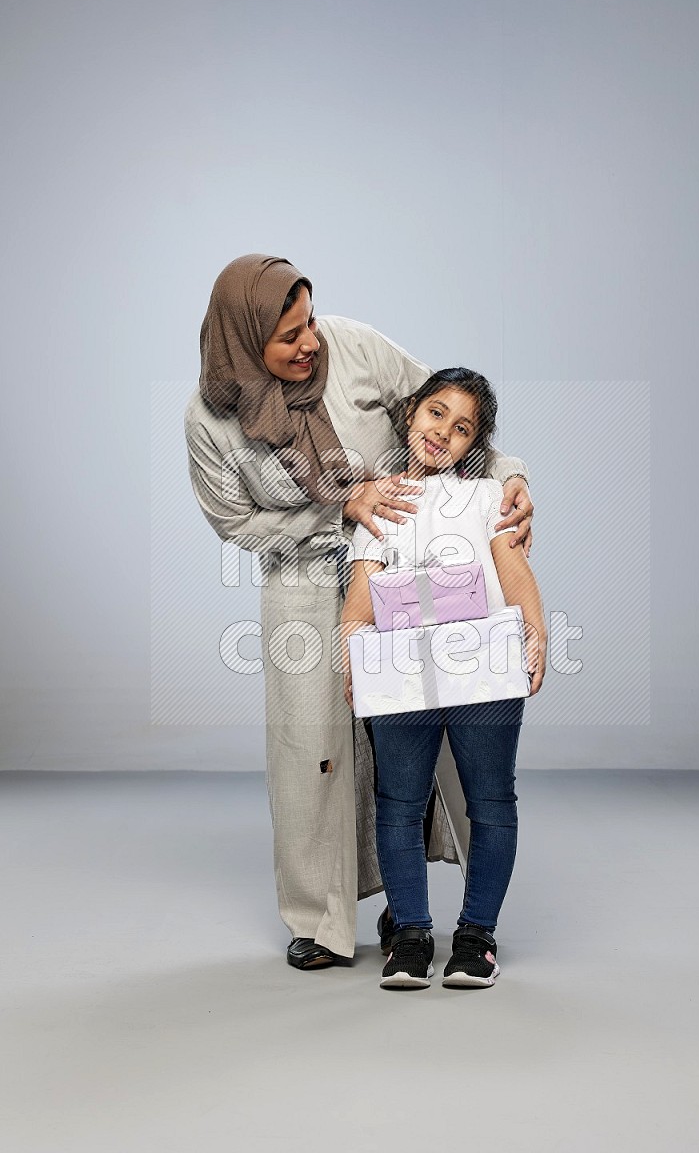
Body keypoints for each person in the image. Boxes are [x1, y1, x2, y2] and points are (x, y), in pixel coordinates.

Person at [184, 254, 534, 969]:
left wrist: (511, 478)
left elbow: (446, 409)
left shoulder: (354, 347)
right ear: (244, 341)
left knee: (423, 738)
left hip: (418, 562)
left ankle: (432, 915)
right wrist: (340, 509)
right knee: (310, 752)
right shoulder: (210, 421)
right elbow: (235, 520)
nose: (309, 341)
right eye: (287, 336)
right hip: (305, 577)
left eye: (308, 319)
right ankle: (319, 919)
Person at [340, 367, 546, 989]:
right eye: (435, 414)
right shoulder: (379, 504)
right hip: (403, 674)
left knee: (490, 802)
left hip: (484, 671)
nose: (443, 433)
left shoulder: (487, 497)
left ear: (472, 446)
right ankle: (409, 934)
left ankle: (477, 936)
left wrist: (535, 637)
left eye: (462, 429)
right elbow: (360, 599)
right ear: (411, 416)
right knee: (398, 803)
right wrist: (354, 654)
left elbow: (514, 577)